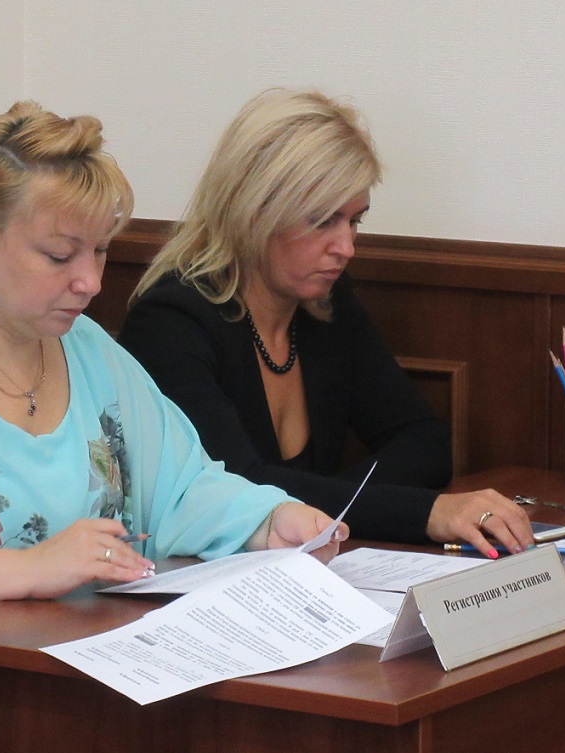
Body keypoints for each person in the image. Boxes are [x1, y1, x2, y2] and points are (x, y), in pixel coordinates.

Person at [0, 101, 345, 753]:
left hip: (51, 684)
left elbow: (180, 485)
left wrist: (266, 520)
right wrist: (21, 568)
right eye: (59, 255)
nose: (90, 281)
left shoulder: (90, 351)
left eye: (100, 250)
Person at [119, 87, 532, 556]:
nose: (347, 248)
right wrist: (422, 513)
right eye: (323, 221)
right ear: (254, 212)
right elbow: (238, 489)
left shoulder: (324, 304)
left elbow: (424, 440)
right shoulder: (170, 321)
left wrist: (327, 513)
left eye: (355, 221)